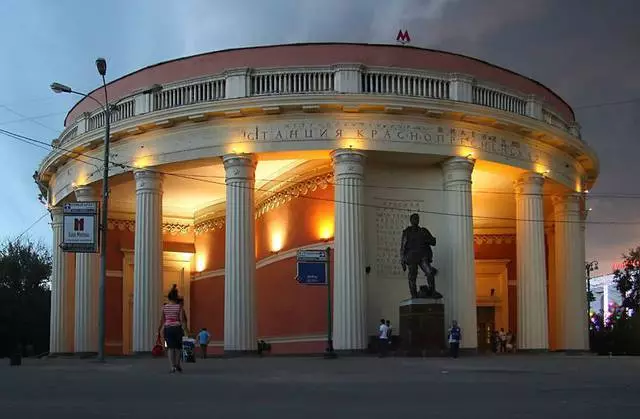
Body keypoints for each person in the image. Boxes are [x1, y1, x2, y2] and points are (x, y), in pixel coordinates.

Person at [158, 285, 188, 373]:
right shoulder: (179, 307)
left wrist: (159, 330)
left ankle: (172, 366)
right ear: (176, 298)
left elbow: (162, 320)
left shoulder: (164, 307)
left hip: (168, 329)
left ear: (168, 298)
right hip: (177, 328)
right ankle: (178, 364)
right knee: (178, 348)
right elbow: (182, 320)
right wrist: (186, 330)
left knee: (170, 348)